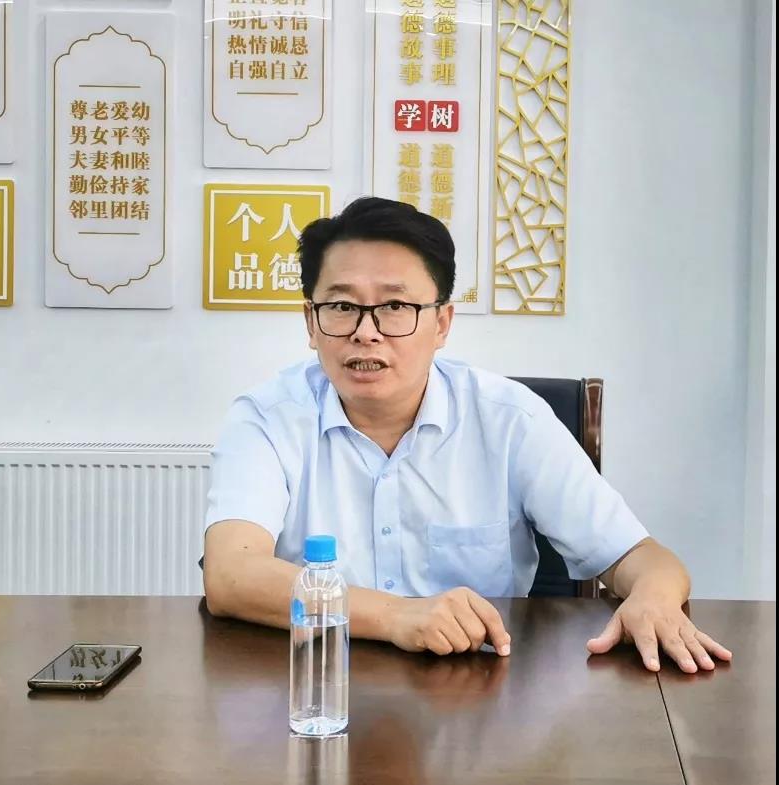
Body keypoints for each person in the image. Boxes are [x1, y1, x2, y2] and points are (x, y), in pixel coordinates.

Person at [203, 197, 732, 674]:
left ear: (442, 323)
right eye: (341, 306)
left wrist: (653, 596)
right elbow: (230, 575)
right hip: (315, 689)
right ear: (310, 322)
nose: (366, 331)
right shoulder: (267, 419)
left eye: (395, 307)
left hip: (477, 694)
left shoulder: (511, 420)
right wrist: (398, 617)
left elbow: (641, 558)